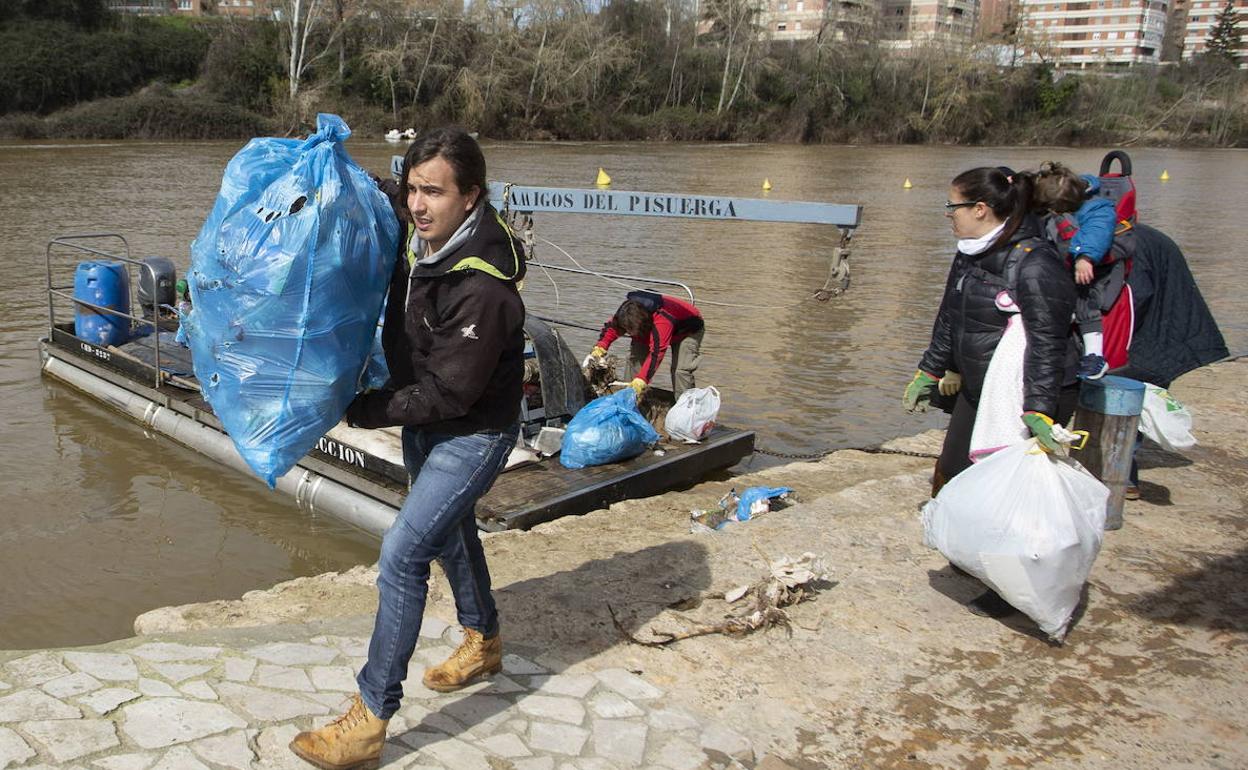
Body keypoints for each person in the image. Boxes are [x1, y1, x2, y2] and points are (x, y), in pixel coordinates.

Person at [289, 127, 526, 770]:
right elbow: (383, 191)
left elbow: (449, 395)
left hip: (473, 432)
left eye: (434, 192)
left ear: (471, 195)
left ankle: (370, 717)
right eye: (414, 188)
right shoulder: (430, 228)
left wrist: (362, 408)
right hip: (427, 416)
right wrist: (331, 162)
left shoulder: (483, 288)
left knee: (402, 555)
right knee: (452, 535)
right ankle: (484, 640)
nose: (418, 205)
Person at [902, 166, 1078, 618]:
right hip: (980, 387)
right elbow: (950, 316)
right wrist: (930, 367)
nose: (948, 215)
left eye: (953, 206)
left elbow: (1048, 342)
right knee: (956, 475)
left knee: (1011, 499)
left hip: (1026, 396)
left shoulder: (1035, 262)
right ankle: (976, 560)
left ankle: (1013, 589)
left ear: (980, 209)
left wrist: (1039, 410)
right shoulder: (970, 254)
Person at [1031, 161, 1122, 380]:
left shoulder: (1098, 208)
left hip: (1094, 269)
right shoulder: (1060, 205)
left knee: (1086, 302)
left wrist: (1085, 257)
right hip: (1064, 263)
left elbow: (1096, 233)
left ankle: (1094, 356)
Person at [585, 290, 705, 398]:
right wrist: (600, 347)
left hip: (687, 330)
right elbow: (612, 328)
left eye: (631, 331)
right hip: (646, 329)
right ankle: (627, 400)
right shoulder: (626, 312)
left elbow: (657, 354)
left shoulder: (662, 321)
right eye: (628, 330)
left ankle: (687, 409)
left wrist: (642, 380)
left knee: (680, 371)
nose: (628, 333)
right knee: (634, 361)